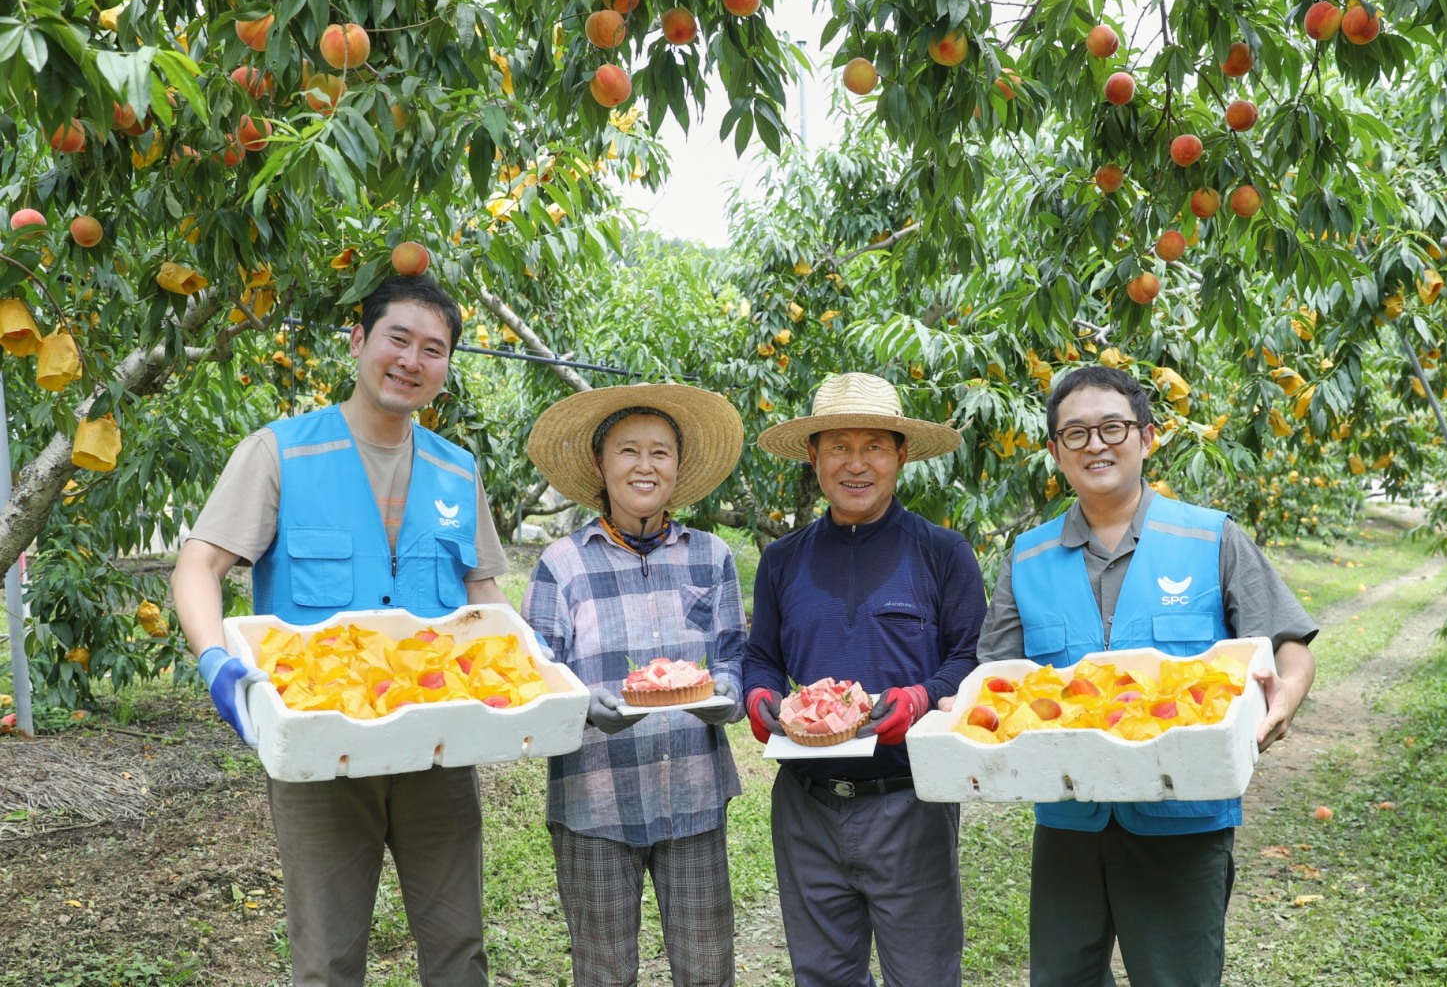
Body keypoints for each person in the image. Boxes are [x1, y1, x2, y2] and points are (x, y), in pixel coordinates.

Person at [171, 274, 510, 987]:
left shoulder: (457, 468)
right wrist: (217, 663)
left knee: (459, 950)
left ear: (446, 368)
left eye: (434, 348)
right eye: (398, 338)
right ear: (358, 341)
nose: (412, 360)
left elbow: (483, 591)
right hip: (321, 749)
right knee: (326, 961)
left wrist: (535, 673)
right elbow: (199, 564)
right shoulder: (280, 453)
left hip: (437, 744)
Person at [974, 364, 1318, 987]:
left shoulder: (1208, 537)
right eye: (1075, 434)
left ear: (1148, 437)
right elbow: (996, 680)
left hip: (1182, 811)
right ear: (1054, 451)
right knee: (1062, 976)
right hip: (1069, 814)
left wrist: (1284, 699)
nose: (1095, 445)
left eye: (1112, 427)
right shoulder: (1027, 556)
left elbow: (1291, 645)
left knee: (1176, 976)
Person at [742, 372, 985, 987]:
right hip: (805, 804)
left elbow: (972, 659)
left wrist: (921, 697)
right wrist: (761, 695)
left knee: (923, 976)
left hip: (910, 798)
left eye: (874, 446)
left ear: (901, 455)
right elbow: (763, 656)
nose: (856, 464)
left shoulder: (942, 552)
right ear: (813, 456)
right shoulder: (782, 560)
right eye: (838, 446)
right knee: (822, 974)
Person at [521, 383, 748, 987]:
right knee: (603, 971)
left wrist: (722, 697)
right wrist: (581, 705)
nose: (644, 466)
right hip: (595, 799)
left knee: (707, 970)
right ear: (600, 464)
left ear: (678, 467)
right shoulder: (563, 564)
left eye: (660, 453)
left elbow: (730, 658)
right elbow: (535, 675)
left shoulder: (712, 556)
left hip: (693, 795)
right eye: (627, 451)